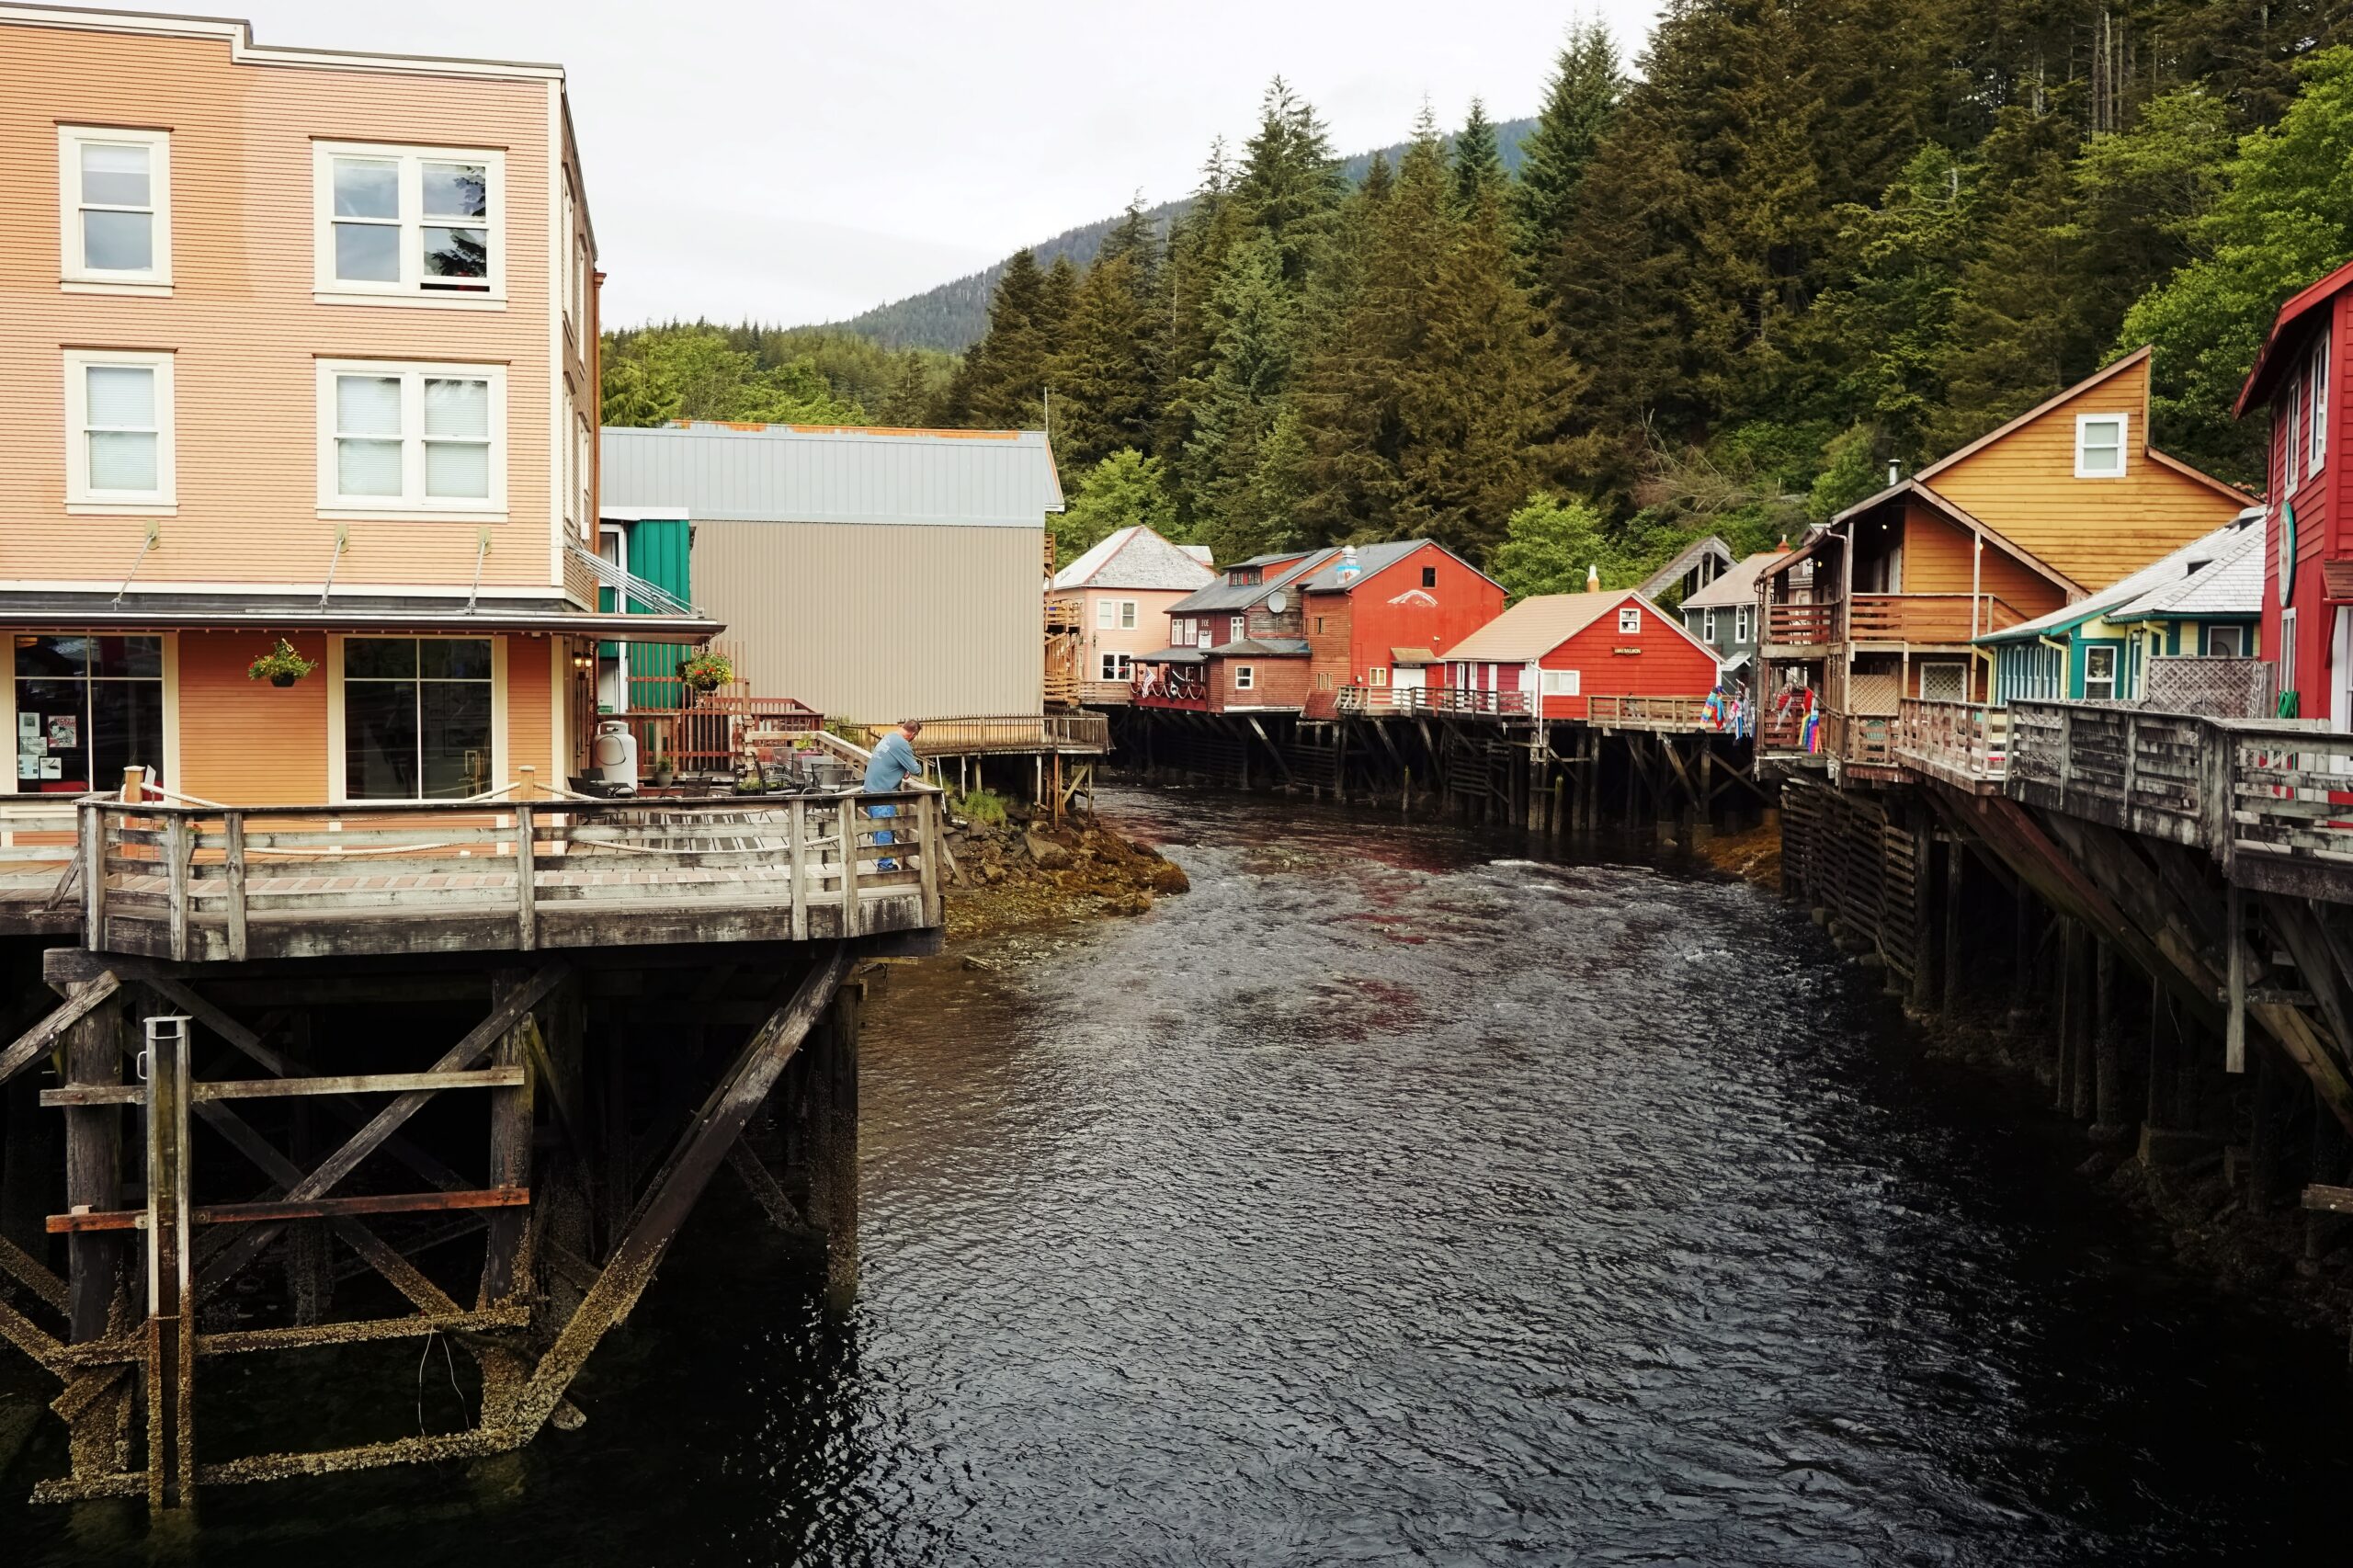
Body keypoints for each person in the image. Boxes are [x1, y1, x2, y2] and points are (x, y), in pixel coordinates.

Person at [862, 720, 927, 869]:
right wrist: (907, 768)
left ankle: (883, 864)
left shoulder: (890, 737)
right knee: (885, 829)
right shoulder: (902, 744)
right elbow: (917, 770)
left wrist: (902, 768)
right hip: (883, 792)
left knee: (878, 829)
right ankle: (885, 866)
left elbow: (891, 760)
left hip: (870, 789)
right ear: (913, 735)